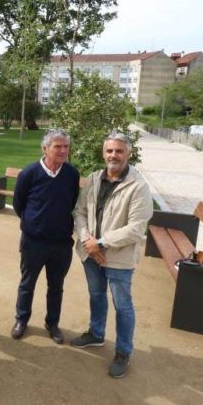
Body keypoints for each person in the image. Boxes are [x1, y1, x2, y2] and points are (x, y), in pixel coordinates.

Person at [72, 132, 153, 379]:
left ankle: (123, 352)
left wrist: (101, 243)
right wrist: (88, 239)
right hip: (91, 253)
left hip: (117, 257)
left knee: (123, 306)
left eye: (119, 151)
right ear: (103, 152)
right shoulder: (95, 178)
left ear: (129, 153)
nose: (113, 155)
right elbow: (80, 211)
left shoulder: (138, 186)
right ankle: (96, 334)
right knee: (96, 295)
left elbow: (136, 228)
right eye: (109, 151)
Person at [11, 129, 79, 344]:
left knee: (56, 286)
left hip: (61, 244)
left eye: (66, 147)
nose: (63, 150)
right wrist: (34, 223)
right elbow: (18, 204)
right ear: (45, 148)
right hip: (34, 242)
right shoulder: (29, 173)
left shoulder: (71, 174)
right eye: (57, 146)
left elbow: (72, 203)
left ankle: (52, 323)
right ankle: (22, 320)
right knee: (27, 283)